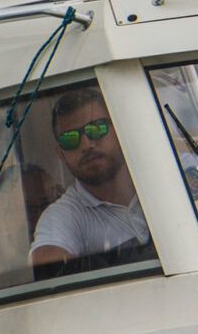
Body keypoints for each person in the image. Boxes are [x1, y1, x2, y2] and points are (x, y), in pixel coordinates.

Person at [29, 82, 152, 272]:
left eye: (96, 129)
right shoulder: (64, 215)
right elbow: (46, 263)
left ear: (119, 130)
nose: (86, 144)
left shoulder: (167, 175)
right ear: (60, 154)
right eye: (70, 139)